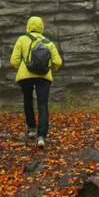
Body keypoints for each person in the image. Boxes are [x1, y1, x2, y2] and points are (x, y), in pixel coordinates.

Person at [10, 15, 62, 148]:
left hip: (25, 76)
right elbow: (57, 62)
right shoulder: (48, 43)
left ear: (28, 26)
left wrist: (23, 67)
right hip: (44, 77)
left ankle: (32, 129)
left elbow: (14, 61)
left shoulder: (22, 39)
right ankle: (41, 137)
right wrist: (50, 69)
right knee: (43, 105)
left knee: (28, 101)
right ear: (41, 26)